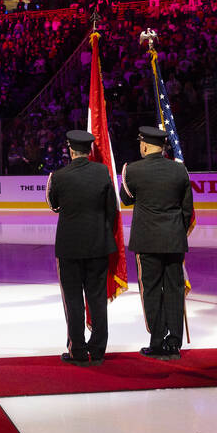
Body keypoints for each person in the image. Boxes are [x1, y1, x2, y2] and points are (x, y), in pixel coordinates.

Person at [120, 126, 194, 360]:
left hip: (147, 241)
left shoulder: (133, 170)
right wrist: (176, 232)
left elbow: (125, 199)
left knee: (150, 290)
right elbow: (187, 209)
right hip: (173, 240)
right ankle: (174, 343)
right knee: (174, 289)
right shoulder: (180, 170)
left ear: (144, 145)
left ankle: (157, 341)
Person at [46, 129, 118, 365]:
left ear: (70, 149)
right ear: (89, 150)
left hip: (69, 246)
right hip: (98, 243)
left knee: (73, 299)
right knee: (97, 298)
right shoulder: (102, 172)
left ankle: (77, 350)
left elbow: (54, 205)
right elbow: (111, 208)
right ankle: (97, 350)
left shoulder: (59, 176)